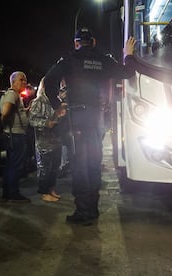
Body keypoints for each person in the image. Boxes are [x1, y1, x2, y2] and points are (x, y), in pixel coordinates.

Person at [44, 27, 136, 225]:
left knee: (79, 164)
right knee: (94, 162)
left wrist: (57, 105)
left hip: (76, 117)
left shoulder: (69, 59)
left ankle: (83, 211)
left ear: (76, 43)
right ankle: (92, 208)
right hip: (95, 117)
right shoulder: (103, 59)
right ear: (93, 42)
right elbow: (127, 72)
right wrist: (128, 55)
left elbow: (49, 80)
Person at [28, 78, 66, 202]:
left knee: (54, 166)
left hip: (56, 139)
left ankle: (51, 189)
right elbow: (32, 120)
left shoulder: (56, 101)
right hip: (44, 141)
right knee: (45, 168)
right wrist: (46, 123)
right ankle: (44, 192)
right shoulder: (38, 101)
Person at [0, 71, 30, 202]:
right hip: (16, 135)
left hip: (14, 135)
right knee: (15, 165)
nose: (24, 82)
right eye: (21, 80)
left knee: (10, 165)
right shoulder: (12, 94)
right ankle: (13, 193)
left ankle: (8, 192)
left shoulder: (14, 95)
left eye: (25, 80)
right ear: (13, 82)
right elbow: (5, 113)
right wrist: (4, 126)